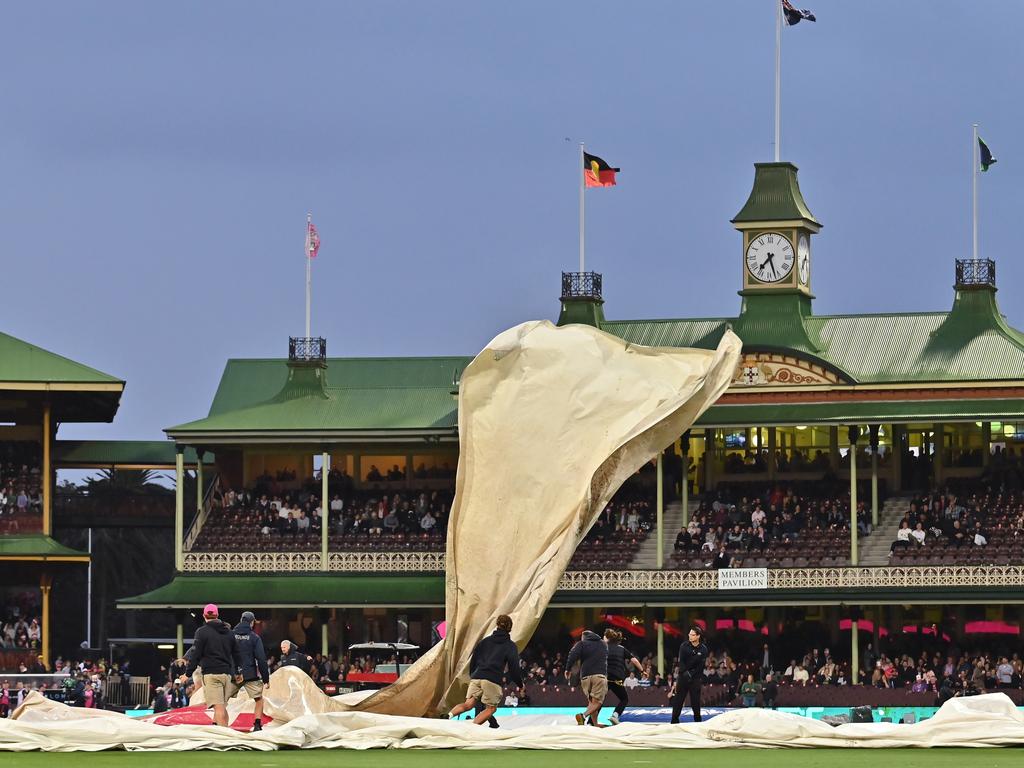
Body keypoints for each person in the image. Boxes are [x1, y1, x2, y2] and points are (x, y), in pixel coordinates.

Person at [446, 614, 523, 726]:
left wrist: (473, 675)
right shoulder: (510, 646)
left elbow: (474, 659)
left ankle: (449, 715)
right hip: (492, 679)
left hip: (477, 676)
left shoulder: (485, 641)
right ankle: (472, 728)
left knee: (468, 705)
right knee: (491, 709)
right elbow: (514, 668)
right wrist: (520, 684)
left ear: (497, 625)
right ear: (510, 628)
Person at [183, 604, 242, 727]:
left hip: (211, 674)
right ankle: (227, 734)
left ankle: (224, 738)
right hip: (227, 675)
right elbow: (237, 654)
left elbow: (195, 654)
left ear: (204, 616)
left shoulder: (202, 632)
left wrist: (187, 673)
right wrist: (238, 671)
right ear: (217, 615)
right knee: (223, 707)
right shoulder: (229, 633)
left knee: (218, 708)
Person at [232, 610, 270, 732]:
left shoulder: (230, 635)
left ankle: (218, 724)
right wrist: (266, 679)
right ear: (252, 622)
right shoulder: (254, 637)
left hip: (233, 674)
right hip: (250, 674)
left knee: (221, 701)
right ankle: (257, 724)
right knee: (258, 699)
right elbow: (261, 659)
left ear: (241, 620)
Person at [566, 629, 608, 726]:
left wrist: (567, 669)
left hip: (585, 676)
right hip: (599, 675)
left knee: (592, 702)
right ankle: (583, 716)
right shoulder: (603, 644)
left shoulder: (582, 644)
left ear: (584, 637)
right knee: (598, 703)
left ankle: (595, 724)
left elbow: (572, 654)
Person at [670, 626, 708, 724]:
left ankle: (698, 722)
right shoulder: (684, 646)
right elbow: (681, 661)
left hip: (695, 679)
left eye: (692, 635)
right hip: (683, 677)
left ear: (698, 636)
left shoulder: (703, 649)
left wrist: (691, 674)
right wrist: (686, 673)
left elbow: (701, 666)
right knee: (678, 700)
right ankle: (674, 721)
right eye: (689, 634)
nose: (690, 636)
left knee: (695, 702)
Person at [604, 628, 643, 725]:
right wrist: (642, 670)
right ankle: (615, 715)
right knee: (624, 699)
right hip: (617, 678)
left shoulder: (604, 648)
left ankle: (590, 721)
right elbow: (634, 660)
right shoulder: (621, 649)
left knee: (599, 701)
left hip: (606, 678)